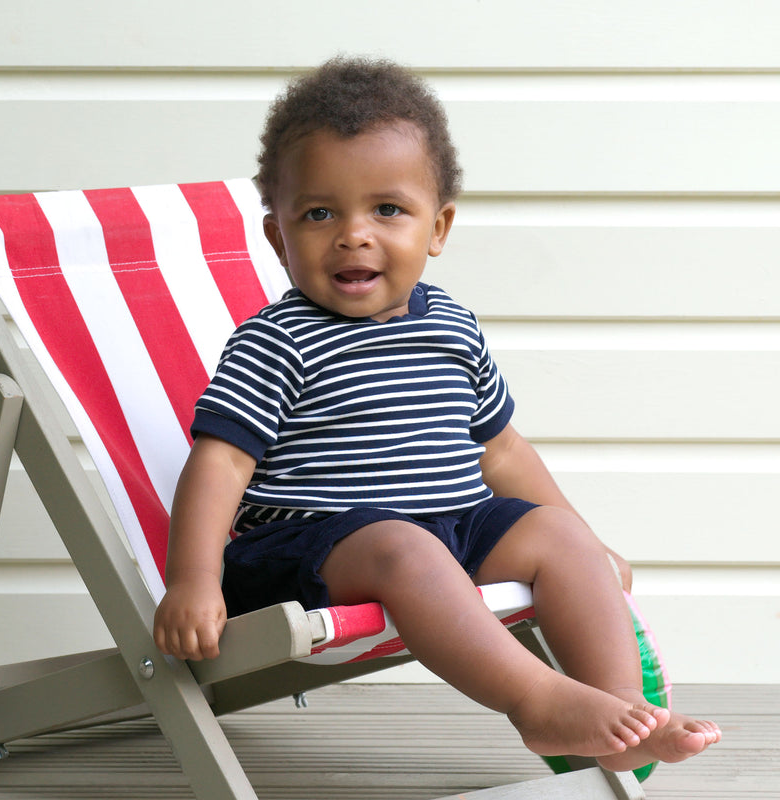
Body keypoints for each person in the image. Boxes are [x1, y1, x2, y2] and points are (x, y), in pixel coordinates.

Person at [154, 56, 720, 770]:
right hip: (310, 549)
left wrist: (588, 539)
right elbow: (220, 460)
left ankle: (616, 711)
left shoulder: (451, 323)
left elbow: (502, 452)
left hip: (448, 531)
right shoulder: (277, 339)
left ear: (438, 227)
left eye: (387, 209)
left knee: (561, 536)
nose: (353, 234)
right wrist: (195, 579)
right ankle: (536, 704)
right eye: (319, 213)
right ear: (278, 237)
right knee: (404, 546)